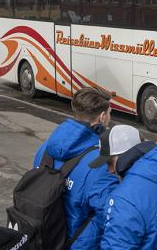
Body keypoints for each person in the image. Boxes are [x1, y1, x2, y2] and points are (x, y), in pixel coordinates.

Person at [33, 87, 118, 250]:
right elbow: (110, 215)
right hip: (78, 243)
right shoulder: (100, 163)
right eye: (110, 113)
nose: (110, 117)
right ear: (102, 117)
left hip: (44, 237)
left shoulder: (45, 148)